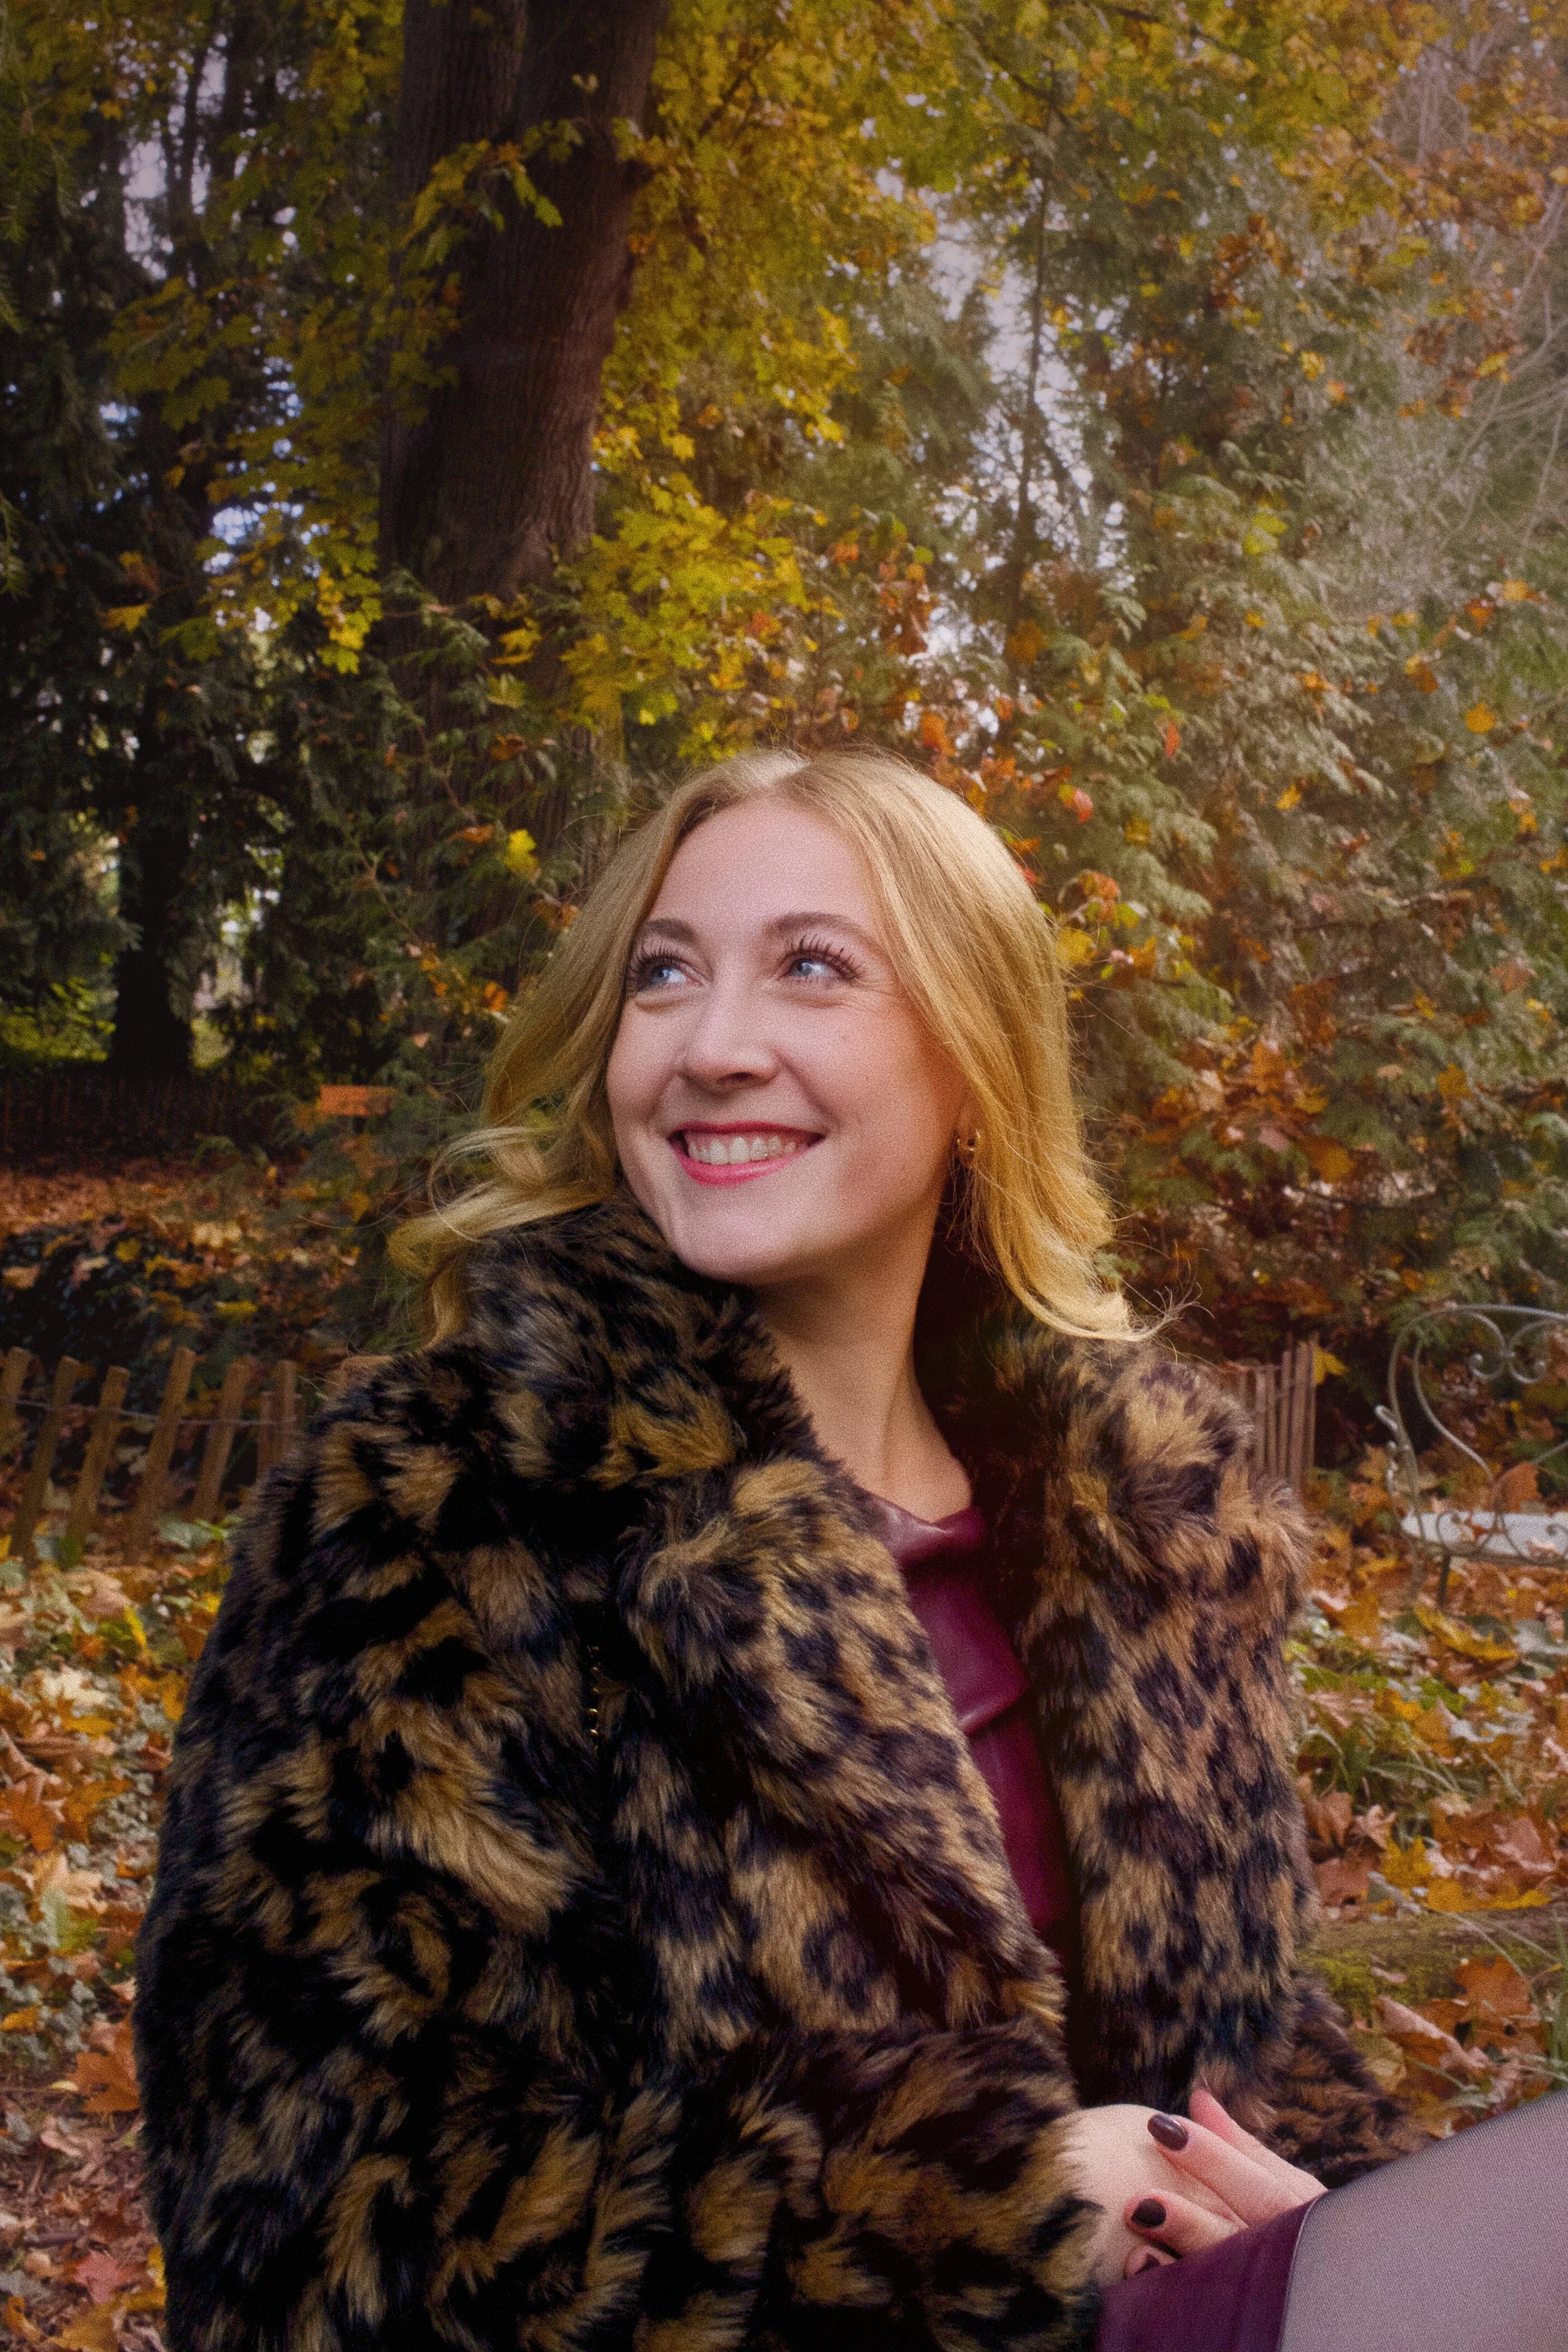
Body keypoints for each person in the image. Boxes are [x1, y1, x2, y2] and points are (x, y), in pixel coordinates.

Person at [136, 750, 1566, 2351]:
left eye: (811, 967)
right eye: (662, 977)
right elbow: (305, 2241)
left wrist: (1336, 2216)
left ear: (975, 1060)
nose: (709, 1047)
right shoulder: (447, 1512)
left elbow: (1256, 2056)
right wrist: (976, 2221)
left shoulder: (1139, 1537)